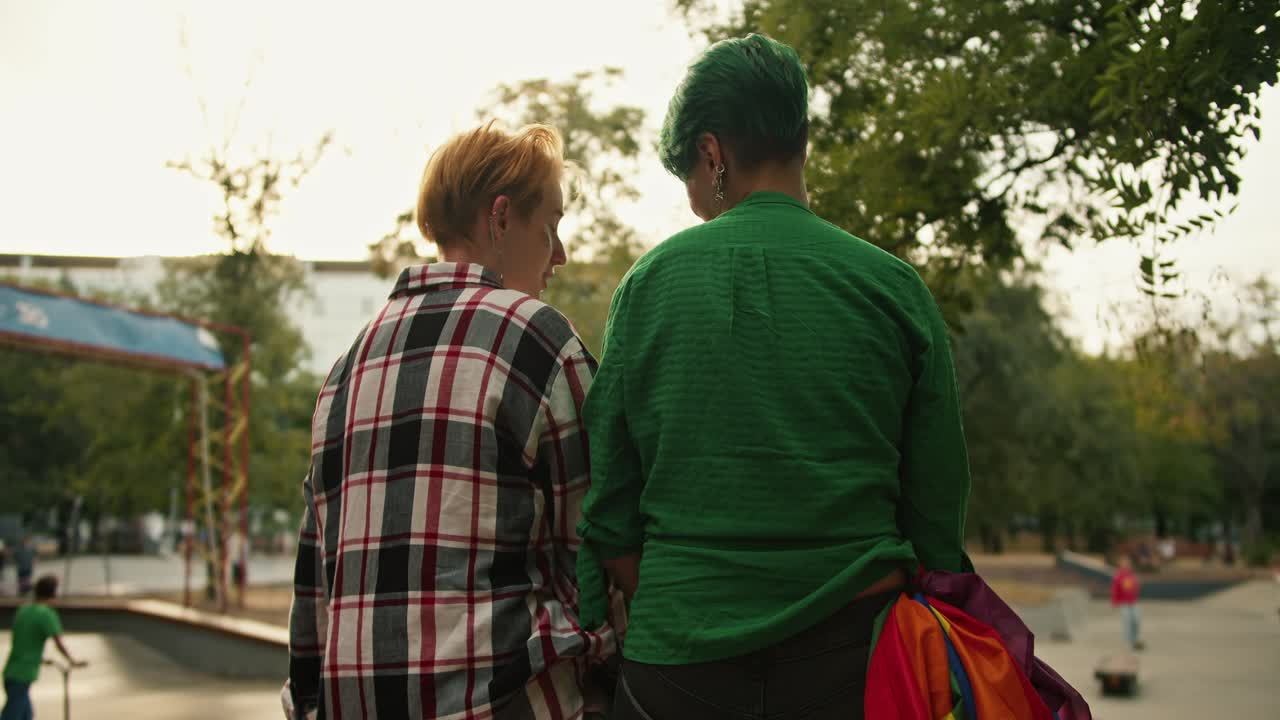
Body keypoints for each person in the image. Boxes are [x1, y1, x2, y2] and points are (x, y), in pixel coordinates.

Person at [576, 33, 972, 720]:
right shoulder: (893, 289)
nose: (695, 201)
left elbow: (609, 510)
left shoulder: (649, 286)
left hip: (679, 664)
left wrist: (686, 601)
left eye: (690, 177)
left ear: (713, 155)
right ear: (802, 140)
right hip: (860, 661)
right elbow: (938, 509)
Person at [285, 122, 616, 720]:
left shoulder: (345, 370)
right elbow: (595, 549)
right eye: (551, 226)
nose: (560, 255)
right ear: (500, 218)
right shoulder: (539, 340)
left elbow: (316, 580)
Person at [2, 576, 87, 720]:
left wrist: (40, 659)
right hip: (23, 674)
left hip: (11, 671)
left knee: (26, 715)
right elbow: (58, 643)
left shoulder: (24, 610)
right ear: (53, 594)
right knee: (13, 716)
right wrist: (72, 660)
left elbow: (24, 640)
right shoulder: (46, 614)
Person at [1111, 556, 1143, 651]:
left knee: (1136, 620)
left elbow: (1136, 587)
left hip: (1133, 602)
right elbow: (1115, 590)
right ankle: (1128, 641)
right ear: (1120, 564)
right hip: (1124, 603)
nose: (1126, 565)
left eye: (1127, 563)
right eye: (1124, 563)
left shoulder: (1132, 575)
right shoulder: (1118, 576)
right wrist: (1115, 602)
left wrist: (1136, 588)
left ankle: (1135, 639)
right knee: (1127, 621)